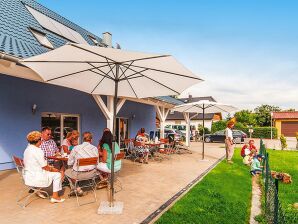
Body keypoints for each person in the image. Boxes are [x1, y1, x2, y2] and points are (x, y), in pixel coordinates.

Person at [23, 131, 65, 203]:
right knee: (58, 175)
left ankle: (38, 189)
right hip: (36, 177)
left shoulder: (27, 149)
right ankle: (55, 197)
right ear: (39, 141)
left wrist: (51, 168)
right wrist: (55, 170)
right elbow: (45, 167)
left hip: (27, 176)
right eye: (41, 140)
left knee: (55, 171)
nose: (41, 142)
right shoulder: (38, 151)